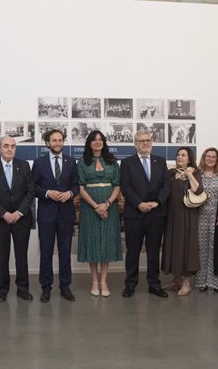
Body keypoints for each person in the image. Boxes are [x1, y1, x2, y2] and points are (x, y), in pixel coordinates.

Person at [0, 136, 35, 302]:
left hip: (21, 219)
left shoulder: (24, 165)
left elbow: (30, 191)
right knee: (2, 255)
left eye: (13, 146)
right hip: (0, 219)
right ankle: (2, 289)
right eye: (6, 146)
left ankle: (23, 289)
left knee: (21, 255)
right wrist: (4, 213)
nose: (10, 149)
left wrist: (18, 212)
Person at [120, 130, 170, 298]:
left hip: (156, 213)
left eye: (148, 140)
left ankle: (154, 284)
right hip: (135, 213)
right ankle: (130, 284)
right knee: (133, 250)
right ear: (135, 144)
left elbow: (166, 186)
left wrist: (157, 202)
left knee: (154, 251)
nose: (145, 143)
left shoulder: (160, 162)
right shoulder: (127, 163)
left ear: (152, 142)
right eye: (141, 141)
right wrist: (139, 204)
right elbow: (126, 187)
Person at [30, 129, 79, 303]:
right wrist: (47, 193)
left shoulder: (72, 162)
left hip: (66, 214)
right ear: (47, 143)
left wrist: (70, 194)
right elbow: (33, 187)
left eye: (60, 140)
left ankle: (65, 286)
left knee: (65, 252)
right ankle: (46, 287)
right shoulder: (39, 163)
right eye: (54, 140)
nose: (57, 143)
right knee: (46, 252)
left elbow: (76, 186)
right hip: (46, 215)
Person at [76, 130, 122, 297]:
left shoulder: (112, 161)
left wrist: (107, 204)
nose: (97, 142)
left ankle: (104, 281)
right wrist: (96, 206)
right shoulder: (82, 162)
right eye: (94, 140)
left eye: (100, 139)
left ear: (104, 142)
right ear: (89, 143)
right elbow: (81, 188)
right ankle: (94, 281)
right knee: (93, 242)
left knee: (107, 243)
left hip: (110, 206)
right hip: (90, 208)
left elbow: (117, 185)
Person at [161, 147, 203, 296]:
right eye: (178, 155)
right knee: (174, 245)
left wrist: (189, 174)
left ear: (189, 158)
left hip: (188, 215)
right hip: (172, 215)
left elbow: (198, 191)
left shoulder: (195, 173)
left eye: (183, 155)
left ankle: (186, 283)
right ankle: (176, 279)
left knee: (186, 246)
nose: (179, 157)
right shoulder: (171, 173)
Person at [196, 147, 218, 293]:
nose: (211, 159)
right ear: (203, 158)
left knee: (216, 248)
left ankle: (215, 283)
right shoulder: (197, 175)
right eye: (208, 156)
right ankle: (201, 282)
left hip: (217, 216)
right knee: (201, 248)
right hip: (200, 216)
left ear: (217, 159)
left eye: (214, 157)